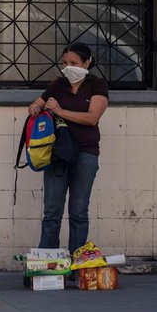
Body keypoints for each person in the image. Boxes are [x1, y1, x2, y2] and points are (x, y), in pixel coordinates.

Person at [27, 42, 109, 264]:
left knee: (79, 212)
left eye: (73, 63)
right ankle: (47, 264)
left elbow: (92, 118)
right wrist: (35, 108)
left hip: (86, 153)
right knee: (52, 211)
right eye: (64, 63)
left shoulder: (97, 85)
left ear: (87, 63)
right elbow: (37, 104)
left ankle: (77, 265)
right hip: (58, 155)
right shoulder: (57, 85)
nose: (67, 67)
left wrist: (60, 111)